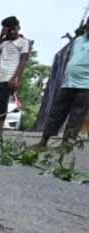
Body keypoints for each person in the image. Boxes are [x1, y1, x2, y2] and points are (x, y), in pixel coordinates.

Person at [38, 19, 89, 147]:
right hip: (68, 83)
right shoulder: (78, 40)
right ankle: (44, 141)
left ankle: (66, 144)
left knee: (76, 115)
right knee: (56, 112)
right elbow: (72, 58)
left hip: (85, 85)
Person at [0, 16, 31, 137]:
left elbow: (23, 61)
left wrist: (15, 78)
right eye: (9, 30)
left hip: (8, 77)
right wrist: (1, 36)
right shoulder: (4, 42)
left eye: (13, 29)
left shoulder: (23, 42)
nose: (12, 32)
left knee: (2, 104)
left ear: (18, 28)